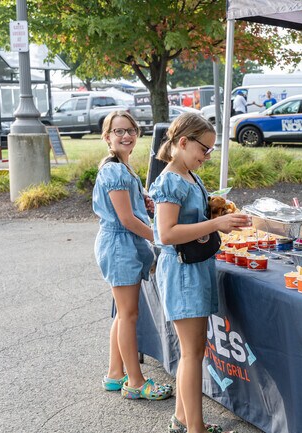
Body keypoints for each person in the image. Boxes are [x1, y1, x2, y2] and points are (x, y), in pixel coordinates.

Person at [150, 112, 249, 433]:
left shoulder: (189, 176)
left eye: (210, 150)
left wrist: (221, 216)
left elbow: (194, 220)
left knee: (195, 351)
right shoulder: (169, 181)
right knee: (191, 355)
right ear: (182, 142)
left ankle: (183, 419)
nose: (207, 156)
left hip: (195, 268)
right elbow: (166, 234)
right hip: (182, 272)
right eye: (203, 149)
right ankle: (196, 428)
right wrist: (216, 223)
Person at [92, 111, 173, 400]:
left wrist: (144, 201)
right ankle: (136, 382)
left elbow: (131, 210)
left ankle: (116, 374)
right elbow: (126, 219)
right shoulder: (114, 170)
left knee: (122, 312)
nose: (126, 136)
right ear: (107, 137)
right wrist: (162, 238)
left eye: (130, 130)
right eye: (118, 131)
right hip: (119, 245)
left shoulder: (124, 169)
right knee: (128, 314)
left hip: (124, 244)